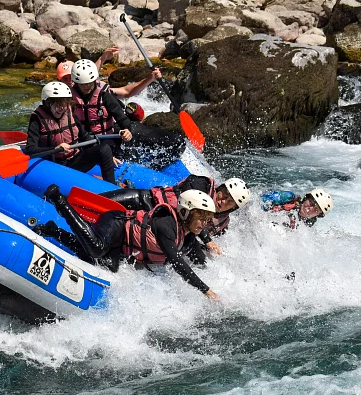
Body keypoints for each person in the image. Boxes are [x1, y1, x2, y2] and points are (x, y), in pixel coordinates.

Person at [42, 184, 221, 300]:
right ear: (185, 213)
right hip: (116, 223)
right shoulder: (167, 224)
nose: (203, 224)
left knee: (104, 264)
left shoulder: (188, 237)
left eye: (207, 220)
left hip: (123, 246)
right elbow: (177, 262)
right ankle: (59, 200)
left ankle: (54, 231)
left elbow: (193, 259)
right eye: (201, 218)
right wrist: (206, 290)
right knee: (96, 249)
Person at [70, 59, 185, 169]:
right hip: (88, 143)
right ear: (75, 82)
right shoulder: (67, 99)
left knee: (177, 142)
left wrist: (150, 78)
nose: (87, 87)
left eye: (89, 83)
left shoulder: (103, 93)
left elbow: (126, 97)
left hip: (110, 135)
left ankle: (155, 165)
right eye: (83, 84)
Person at [103, 176, 252, 258]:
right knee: (101, 201)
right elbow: (195, 207)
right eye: (223, 195)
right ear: (219, 189)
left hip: (157, 230)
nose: (222, 201)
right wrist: (207, 240)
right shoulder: (202, 184)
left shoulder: (222, 224)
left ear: (233, 209)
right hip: (145, 202)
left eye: (229, 202)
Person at [25, 81, 116, 183]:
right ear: (47, 103)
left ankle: (112, 187)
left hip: (74, 161)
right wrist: (55, 149)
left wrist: (107, 156)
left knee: (104, 148)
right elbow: (30, 149)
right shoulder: (37, 119)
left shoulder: (69, 113)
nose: (62, 108)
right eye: (58, 104)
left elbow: (85, 137)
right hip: (53, 165)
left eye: (64, 104)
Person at [261, 188, 333, 229]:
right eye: (311, 202)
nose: (310, 208)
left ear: (317, 215)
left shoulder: (308, 223)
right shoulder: (288, 197)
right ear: (306, 198)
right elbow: (260, 202)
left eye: (316, 209)